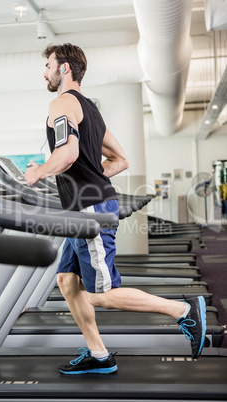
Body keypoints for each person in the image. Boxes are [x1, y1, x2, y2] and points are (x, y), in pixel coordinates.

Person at [25, 43, 206, 375]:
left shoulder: (61, 103)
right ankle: (99, 354)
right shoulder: (91, 110)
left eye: (49, 65)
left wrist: (38, 171)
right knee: (67, 280)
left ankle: (183, 309)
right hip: (85, 206)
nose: (45, 72)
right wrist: (89, 177)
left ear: (64, 69)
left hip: (88, 208)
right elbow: (121, 160)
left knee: (101, 294)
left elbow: (66, 154)